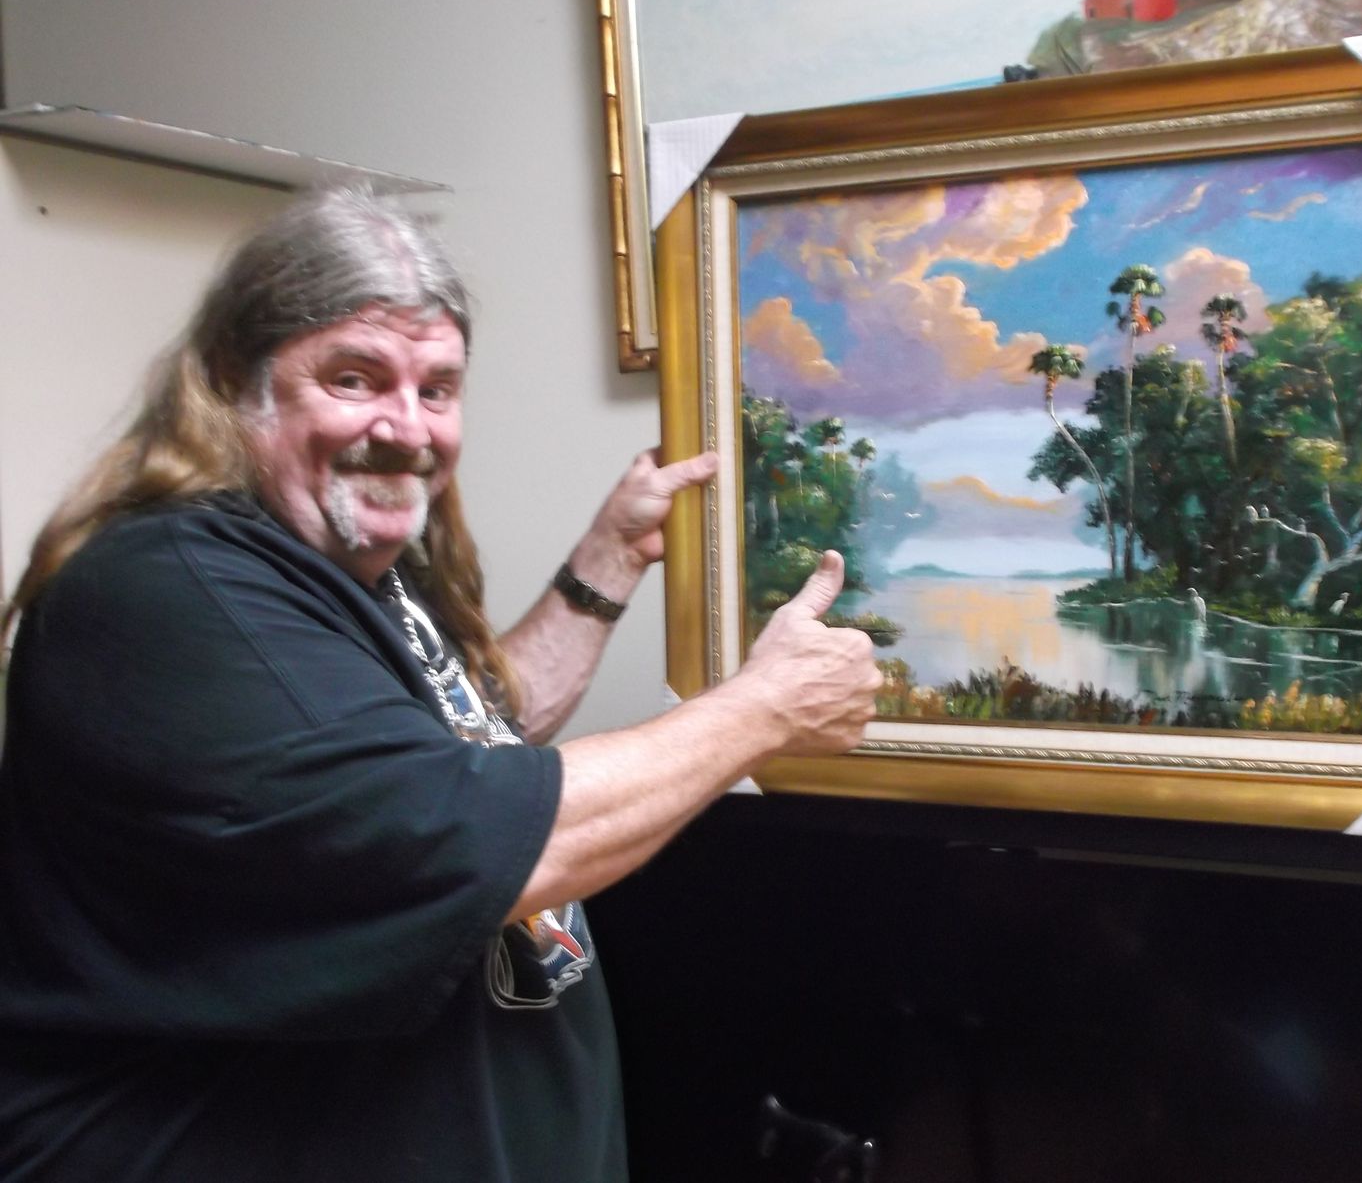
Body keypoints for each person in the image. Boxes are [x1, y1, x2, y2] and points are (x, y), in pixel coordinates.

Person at [0, 187, 881, 1182]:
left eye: (438, 389)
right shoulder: (171, 589)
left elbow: (462, 747)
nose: (406, 429)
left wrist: (608, 560)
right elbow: (469, 833)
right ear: (233, 385)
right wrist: (761, 710)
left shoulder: (338, 565)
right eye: (353, 378)